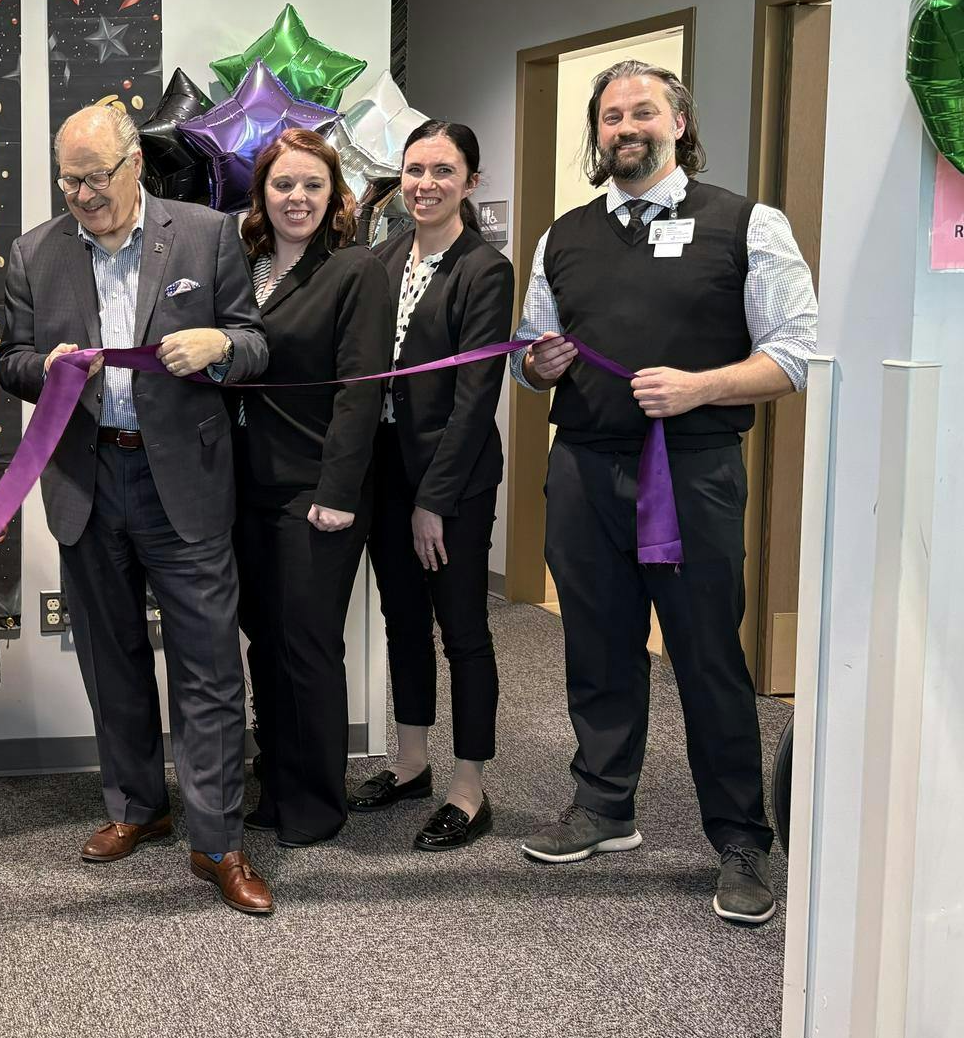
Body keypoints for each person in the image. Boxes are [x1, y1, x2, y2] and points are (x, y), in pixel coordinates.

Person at [512, 60, 817, 926]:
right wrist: (539, 366)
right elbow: (533, 359)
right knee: (597, 644)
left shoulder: (747, 224)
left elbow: (793, 354)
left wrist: (700, 386)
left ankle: (740, 838)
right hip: (582, 469)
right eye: (610, 117)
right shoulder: (561, 236)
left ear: (679, 120)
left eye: (642, 111)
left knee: (706, 654)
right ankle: (605, 805)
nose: (625, 128)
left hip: (690, 473)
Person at [0, 105, 272, 915]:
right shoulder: (33, 253)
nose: (82, 194)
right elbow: (10, 359)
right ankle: (135, 807)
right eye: (69, 179)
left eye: (96, 177)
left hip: (181, 482)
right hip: (88, 482)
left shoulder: (205, 234)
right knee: (109, 658)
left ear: (133, 166)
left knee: (210, 667)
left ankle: (217, 840)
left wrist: (221, 348)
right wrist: (40, 367)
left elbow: (254, 342)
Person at [347, 120, 514, 851]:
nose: (425, 184)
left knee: (464, 633)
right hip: (385, 471)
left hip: (454, 482)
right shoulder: (381, 259)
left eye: (443, 171)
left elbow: (478, 396)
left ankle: (469, 787)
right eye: (415, 170)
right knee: (402, 621)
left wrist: (433, 502)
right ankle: (410, 762)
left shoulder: (485, 270)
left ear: (470, 182)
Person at [230, 128, 390, 850]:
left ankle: (319, 803)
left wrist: (339, 490)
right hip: (245, 487)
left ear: (335, 196)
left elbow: (362, 390)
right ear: (262, 193)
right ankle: (278, 786)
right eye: (283, 185)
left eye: (312, 186)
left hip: (315, 490)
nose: (297, 198)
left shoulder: (355, 270)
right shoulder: (246, 265)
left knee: (309, 644)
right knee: (265, 643)